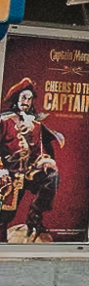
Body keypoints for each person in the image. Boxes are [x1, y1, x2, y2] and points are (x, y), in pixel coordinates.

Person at [0, 80, 62, 242]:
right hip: (8, 173)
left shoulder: (35, 124)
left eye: (29, 99)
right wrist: (1, 170)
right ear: (16, 99)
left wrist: (45, 161)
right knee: (5, 215)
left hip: (28, 171)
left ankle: (34, 217)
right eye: (23, 98)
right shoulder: (4, 122)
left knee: (51, 176)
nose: (26, 102)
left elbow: (38, 151)